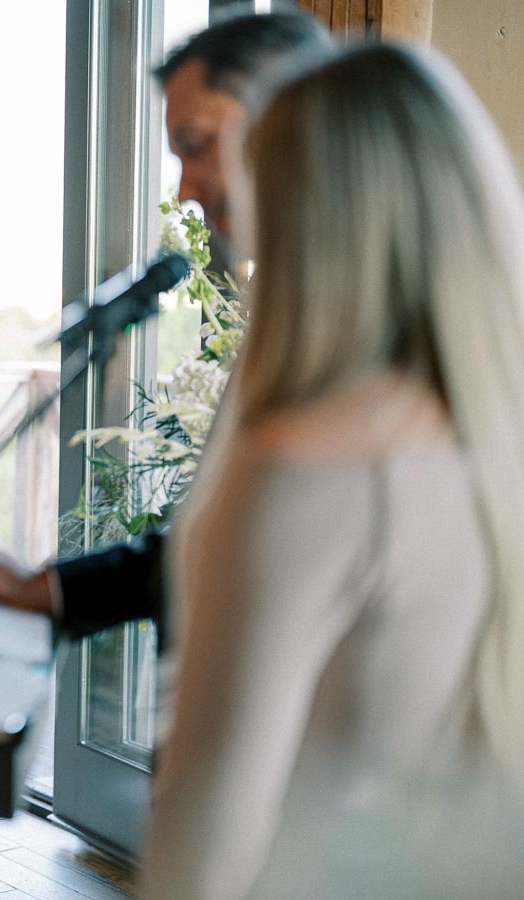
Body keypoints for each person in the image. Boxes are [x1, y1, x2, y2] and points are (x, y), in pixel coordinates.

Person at [143, 43, 524, 898]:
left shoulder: (312, 469)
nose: (211, 205)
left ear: (308, 212)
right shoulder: (492, 433)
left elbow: (205, 841)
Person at [0, 8, 331, 644]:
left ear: (290, 122)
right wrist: (43, 586)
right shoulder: (294, 305)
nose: (186, 191)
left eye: (198, 148)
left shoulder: (371, 327)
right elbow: (220, 543)